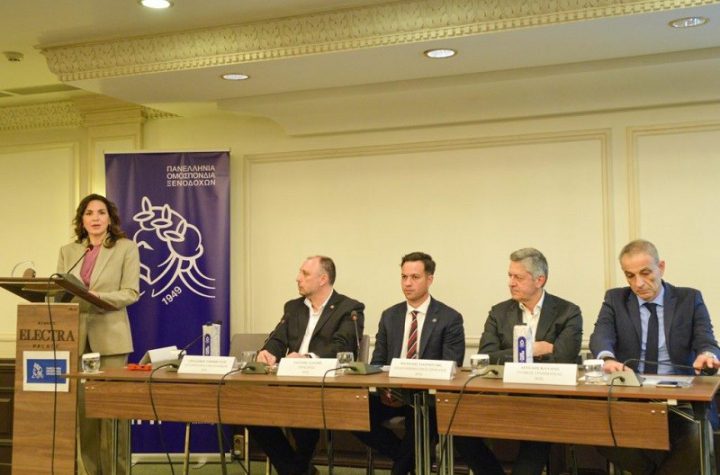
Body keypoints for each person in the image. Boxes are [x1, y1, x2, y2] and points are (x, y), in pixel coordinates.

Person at [589, 239, 720, 475]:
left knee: (696, 438)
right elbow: (601, 336)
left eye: (645, 273)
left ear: (661, 267)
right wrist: (607, 359)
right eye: (630, 276)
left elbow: (706, 339)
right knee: (596, 430)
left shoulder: (689, 299)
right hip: (633, 397)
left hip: (681, 401)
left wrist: (706, 355)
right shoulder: (615, 299)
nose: (638, 283)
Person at [455, 247, 582, 475]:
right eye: (510, 276)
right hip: (503, 395)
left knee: (537, 429)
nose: (511, 283)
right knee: (459, 428)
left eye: (518, 277)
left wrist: (511, 354)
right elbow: (487, 355)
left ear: (539, 280)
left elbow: (565, 357)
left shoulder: (568, 312)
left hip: (545, 399)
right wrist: (534, 349)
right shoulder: (499, 312)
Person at [249, 255, 365, 475]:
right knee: (251, 411)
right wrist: (268, 352)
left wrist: (308, 358)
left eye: (304, 274)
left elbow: (343, 346)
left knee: (302, 411)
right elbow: (278, 338)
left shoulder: (349, 308)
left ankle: (296, 470)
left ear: (323, 279)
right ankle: (298, 470)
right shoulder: (293, 307)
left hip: (322, 385)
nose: (297, 278)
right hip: (288, 383)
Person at [354, 252, 465, 475]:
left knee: (420, 422)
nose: (407, 283)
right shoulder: (390, 316)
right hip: (392, 393)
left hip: (427, 399)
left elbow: (451, 366)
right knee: (353, 414)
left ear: (429, 279)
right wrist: (384, 389)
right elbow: (378, 362)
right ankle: (414, 461)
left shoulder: (449, 318)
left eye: (415, 277)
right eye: (404, 277)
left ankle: (402, 467)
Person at [57, 193, 140, 475]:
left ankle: (117, 471)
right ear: (81, 219)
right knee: (85, 416)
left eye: (101, 212)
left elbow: (131, 292)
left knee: (113, 414)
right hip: (77, 339)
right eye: (89, 213)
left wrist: (98, 296)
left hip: (112, 340)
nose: (95, 218)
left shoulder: (126, 248)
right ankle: (90, 471)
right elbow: (60, 291)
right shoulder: (69, 251)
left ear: (110, 218)